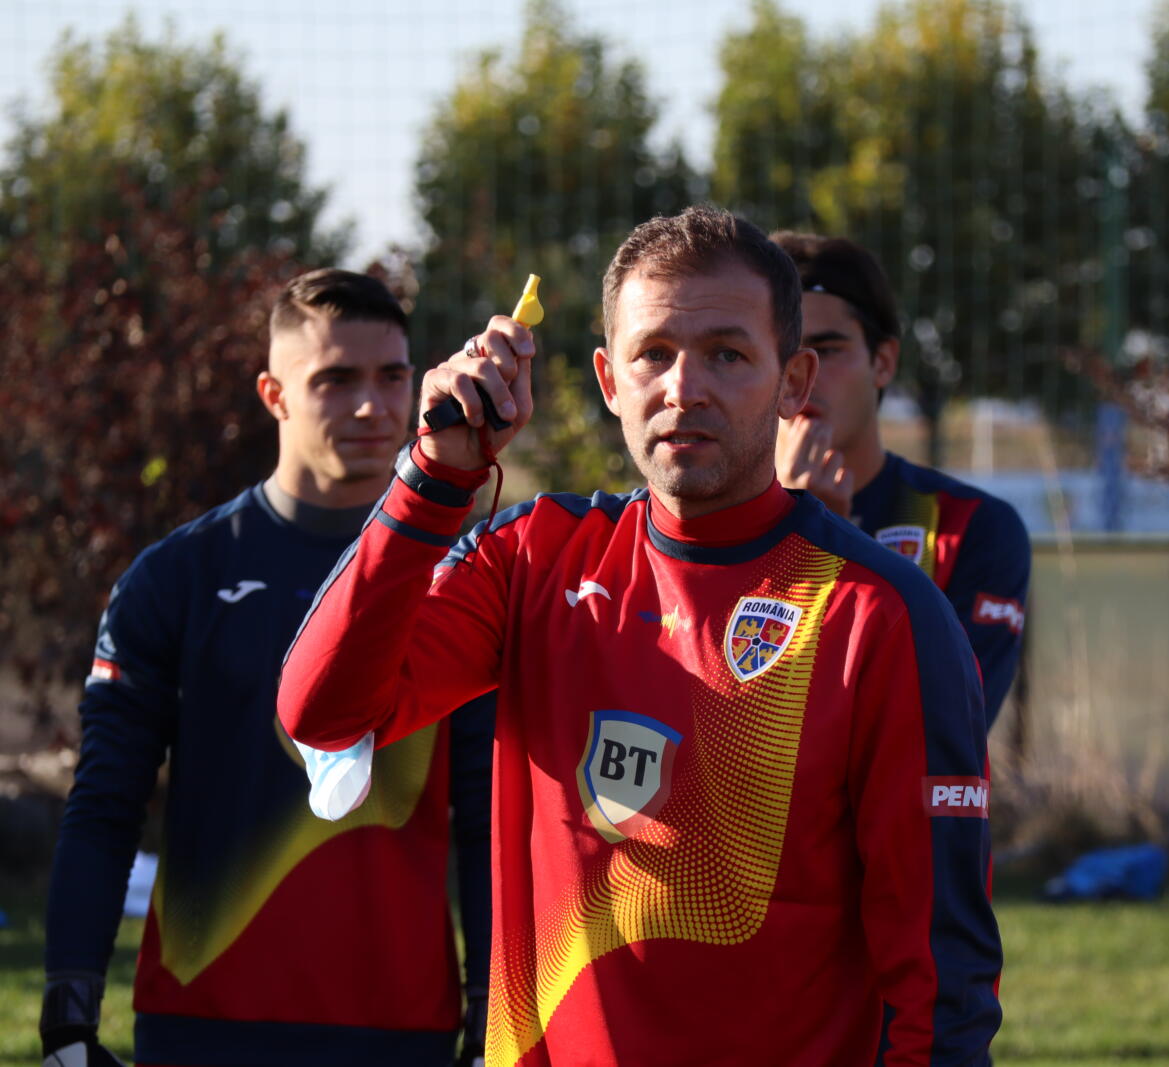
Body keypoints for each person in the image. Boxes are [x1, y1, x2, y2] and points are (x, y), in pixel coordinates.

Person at [278, 206, 1002, 1066]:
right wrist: (433, 478)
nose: (683, 387)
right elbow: (323, 711)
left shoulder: (880, 614)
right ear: (609, 379)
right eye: (653, 353)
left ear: (793, 382)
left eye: (727, 355)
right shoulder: (531, 557)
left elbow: (941, 979)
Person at [42, 270, 493, 1067]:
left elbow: (486, 819)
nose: (371, 406)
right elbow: (106, 805)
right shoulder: (176, 576)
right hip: (203, 1022)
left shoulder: (462, 578)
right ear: (274, 394)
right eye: (335, 379)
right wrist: (68, 1020)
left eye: (392, 376)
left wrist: (492, 1013)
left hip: (400, 1030)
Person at [770, 233, 1029, 728]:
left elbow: (945, 729)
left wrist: (828, 550)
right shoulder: (699, 520)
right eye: (781, 354)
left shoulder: (972, 527)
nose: (802, 376)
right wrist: (781, 535)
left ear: (883, 361)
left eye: (827, 349)